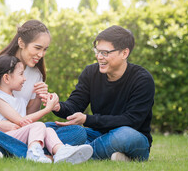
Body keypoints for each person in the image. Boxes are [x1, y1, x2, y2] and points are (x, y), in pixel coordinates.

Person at [0, 20, 86, 158]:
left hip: (21, 132)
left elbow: (27, 119)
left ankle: (4, 152)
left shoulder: (36, 74)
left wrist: (39, 96)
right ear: (21, 43)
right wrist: (2, 125)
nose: (41, 54)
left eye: (45, 49)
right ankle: (38, 155)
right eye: (37, 48)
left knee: (77, 132)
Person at [51, 25, 155, 161]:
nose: (99, 57)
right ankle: (110, 156)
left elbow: (131, 121)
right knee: (51, 129)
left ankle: (74, 154)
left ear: (124, 53)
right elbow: (75, 105)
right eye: (97, 51)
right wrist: (58, 106)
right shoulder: (90, 73)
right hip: (98, 134)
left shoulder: (142, 79)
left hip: (133, 138)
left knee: (123, 135)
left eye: (105, 53)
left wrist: (87, 120)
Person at [0, 55, 93, 164]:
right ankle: (34, 153)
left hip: (19, 135)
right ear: (6, 78)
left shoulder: (19, 99)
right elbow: (21, 121)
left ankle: (60, 151)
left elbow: (26, 122)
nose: (24, 78)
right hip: (5, 138)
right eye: (21, 74)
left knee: (48, 130)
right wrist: (47, 109)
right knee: (39, 125)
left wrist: (39, 97)